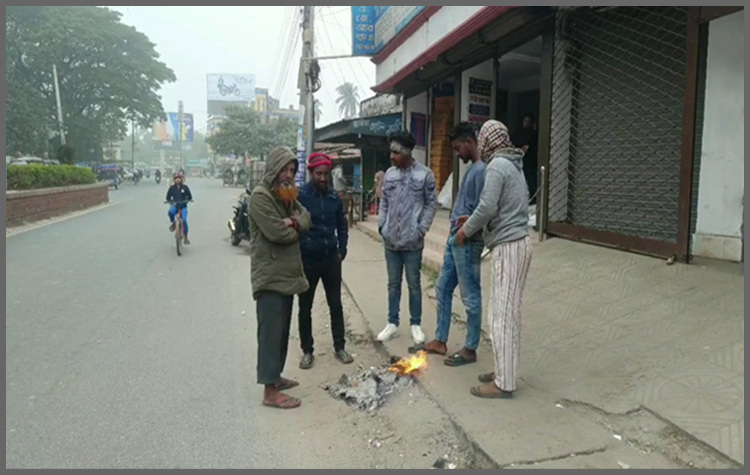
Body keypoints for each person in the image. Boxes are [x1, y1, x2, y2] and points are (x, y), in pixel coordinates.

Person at [455, 120, 532, 400]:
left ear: (487, 140)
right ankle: (504, 371)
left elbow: (487, 207)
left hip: (509, 246)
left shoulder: (497, 166)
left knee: (500, 317)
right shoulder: (512, 163)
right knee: (509, 313)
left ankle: (504, 384)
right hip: (519, 243)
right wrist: (474, 219)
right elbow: (501, 206)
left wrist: (465, 229)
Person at [248, 146, 311, 410]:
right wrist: (293, 227)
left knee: (282, 332)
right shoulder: (260, 197)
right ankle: (270, 392)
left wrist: (294, 222)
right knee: (271, 335)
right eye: (284, 169)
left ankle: (276, 377)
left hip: (286, 277)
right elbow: (278, 233)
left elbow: (306, 217)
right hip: (270, 278)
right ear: (273, 169)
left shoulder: (286, 196)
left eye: (292, 170)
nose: (288, 174)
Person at [424, 122, 486, 367]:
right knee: (442, 287)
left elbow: (484, 210)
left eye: (458, 148)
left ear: (470, 142)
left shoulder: (482, 171)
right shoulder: (472, 169)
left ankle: (470, 348)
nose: (457, 154)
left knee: (470, 295)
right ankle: (440, 340)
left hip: (467, 240)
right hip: (456, 238)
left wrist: (464, 231)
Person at [376, 130, 438, 345]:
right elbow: (384, 202)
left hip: (413, 243)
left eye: (395, 153)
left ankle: (415, 324)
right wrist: (382, 225)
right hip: (391, 241)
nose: (391, 156)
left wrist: (421, 229)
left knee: (414, 284)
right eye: (391, 152)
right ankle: (392, 323)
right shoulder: (389, 175)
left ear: (406, 153)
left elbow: (431, 204)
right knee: (393, 284)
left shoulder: (425, 175)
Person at [296, 153, 353, 370]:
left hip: (331, 261)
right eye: (318, 173)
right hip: (308, 261)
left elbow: (342, 226)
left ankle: (340, 347)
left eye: (325, 174)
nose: (322, 178)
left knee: (335, 304)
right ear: (311, 173)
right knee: (305, 307)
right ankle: (307, 351)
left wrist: (342, 251)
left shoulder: (333, 197)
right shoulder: (301, 197)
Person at [512, 114, 538, 204]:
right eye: (525, 122)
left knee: (531, 181)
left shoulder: (533, 134)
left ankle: (533, 198)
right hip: (520, 161)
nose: (526, 124)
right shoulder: (518, 133)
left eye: (528, 122)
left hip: (530, 162)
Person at [166, 173, 194, 245]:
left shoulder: (185, 187)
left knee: (184, 220)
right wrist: (170, 201)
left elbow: (190, 197)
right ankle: (173, 223)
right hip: (175, 206)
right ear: (174, 180)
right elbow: (168, 197)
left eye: (179, 178)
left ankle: (186, 237)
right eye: (176, 178)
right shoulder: (172, 188)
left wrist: (187, 200)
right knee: (170, 212)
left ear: (181, 179)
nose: (177, 180)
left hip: (183, 206)